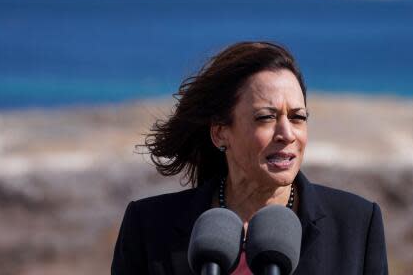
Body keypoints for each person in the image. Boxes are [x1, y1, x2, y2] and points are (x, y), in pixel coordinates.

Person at [111, 41, 388, 274]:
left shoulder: (357, 224)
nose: (287, 134)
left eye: (298, 117)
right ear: (220, 133)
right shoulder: (148, 227)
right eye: (266, 117)